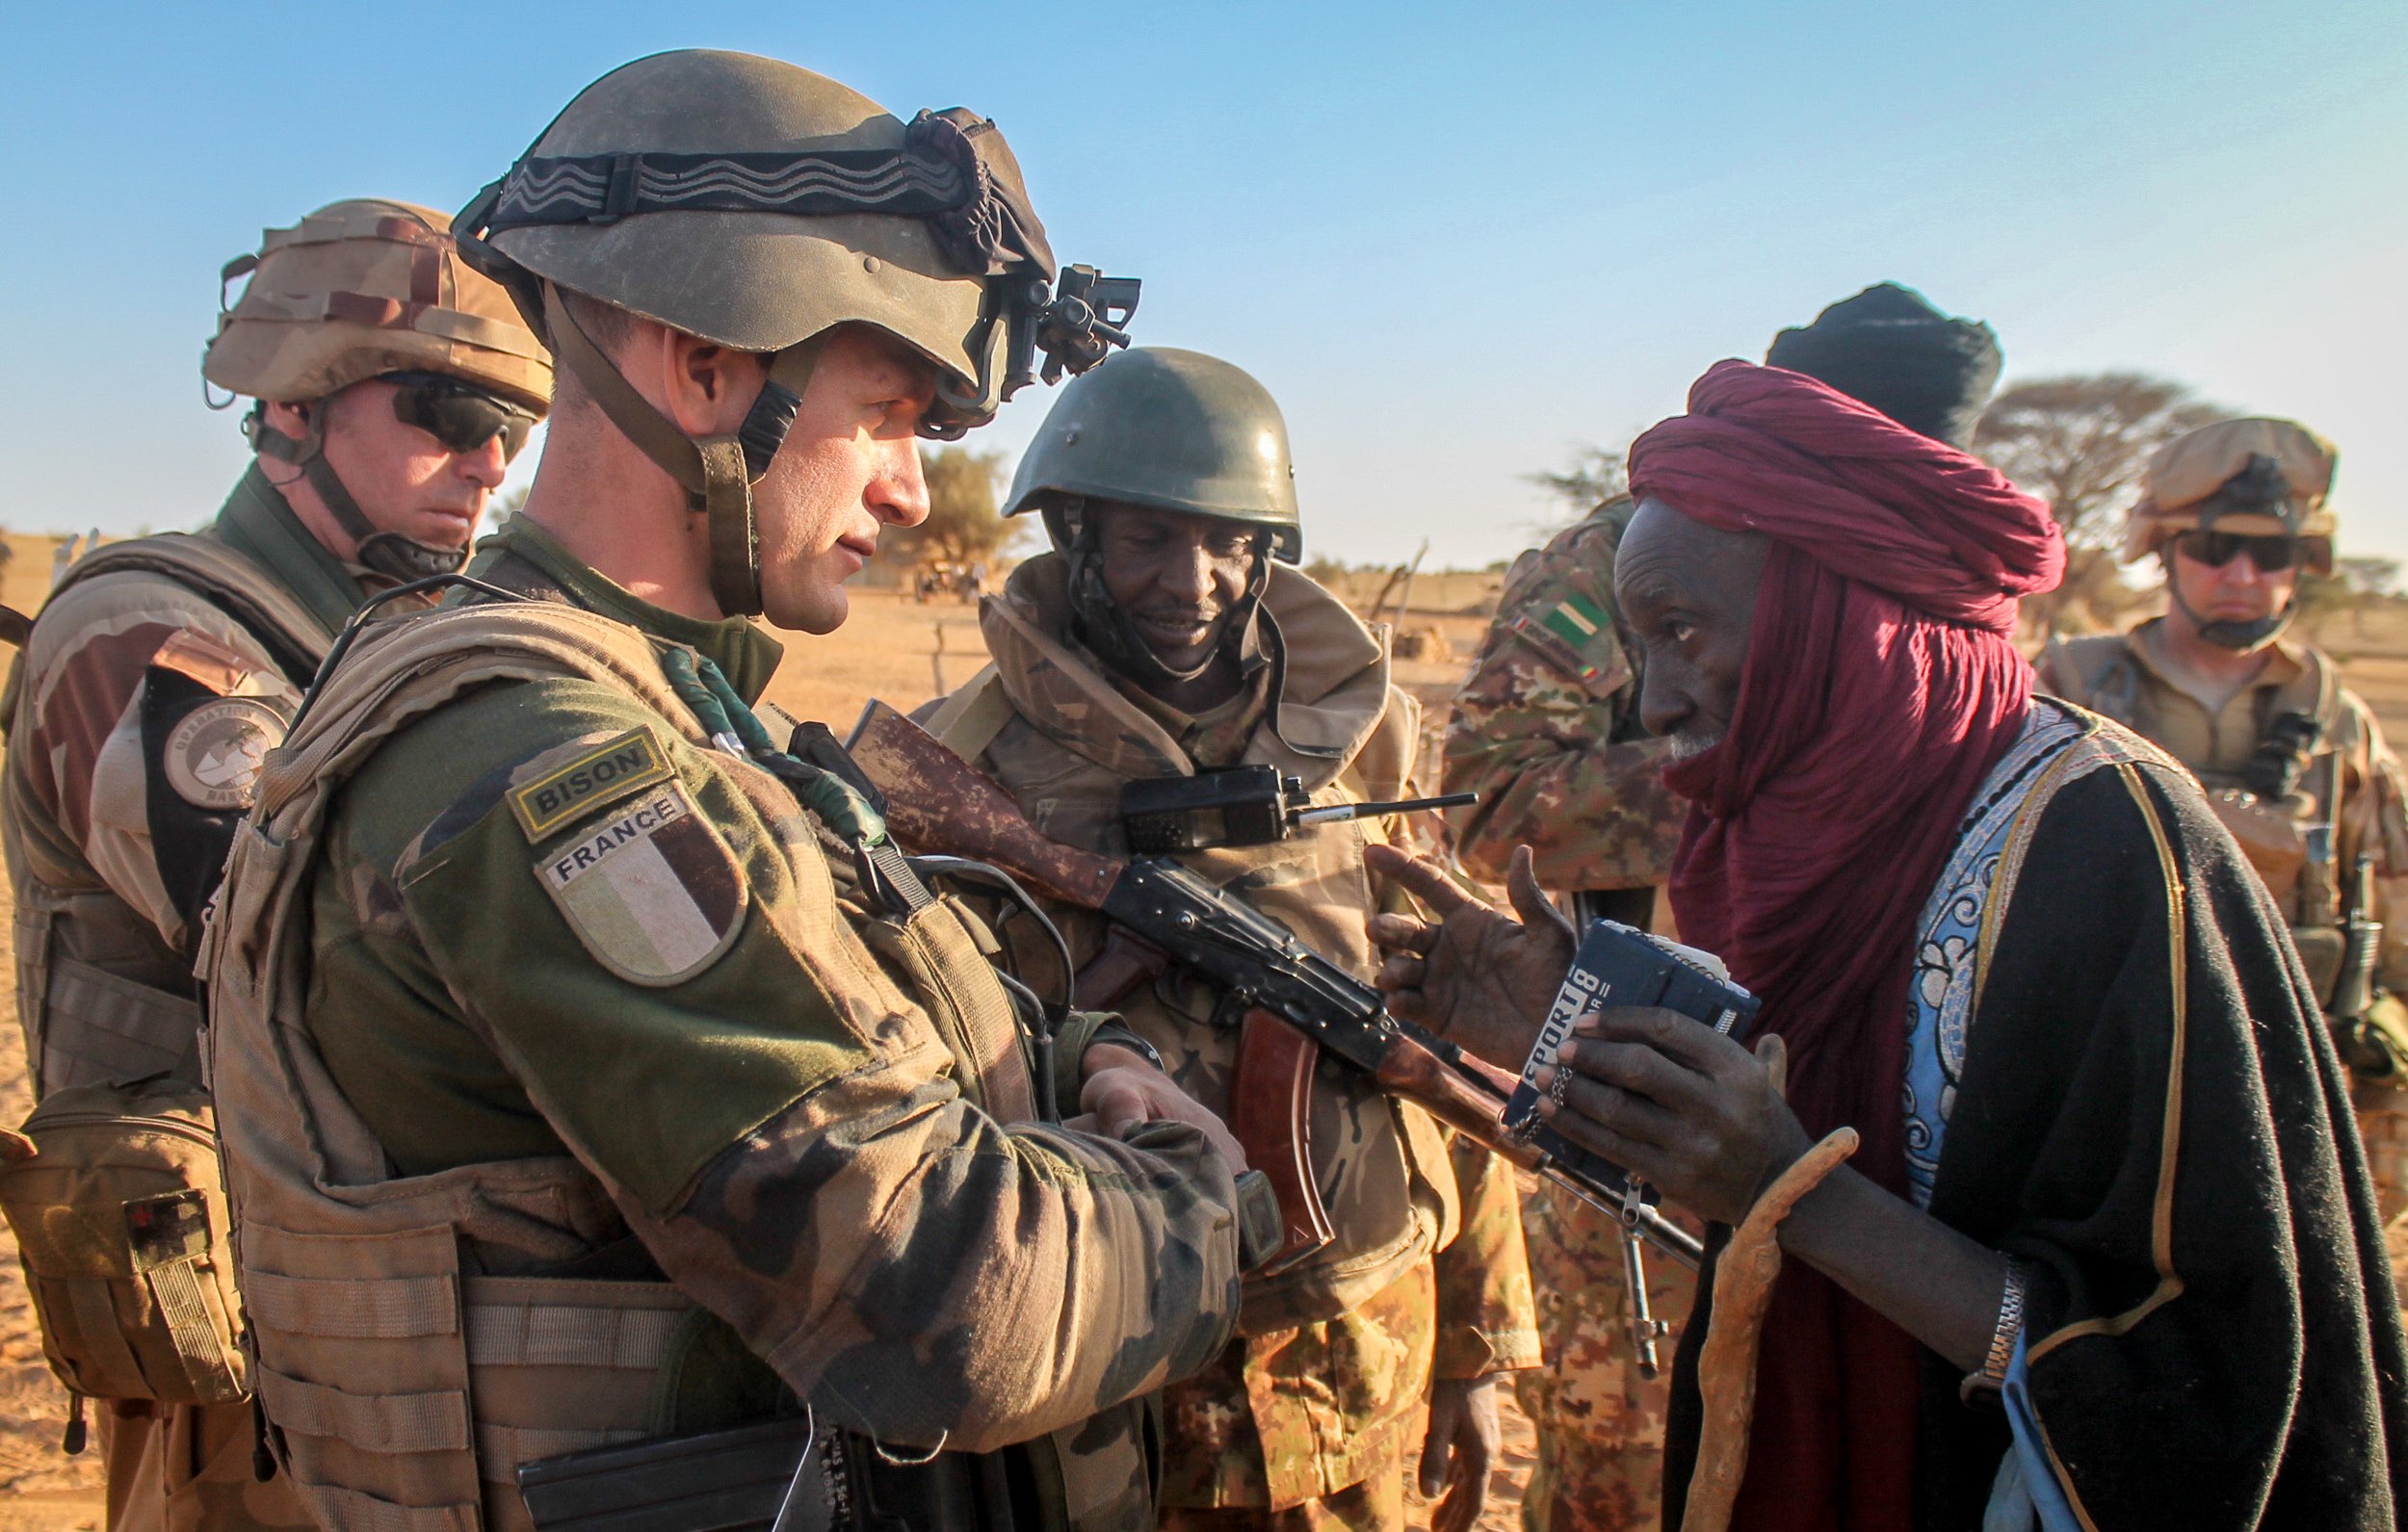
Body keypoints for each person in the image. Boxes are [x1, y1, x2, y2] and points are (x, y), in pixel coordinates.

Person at [198, 51, 1256, 1532]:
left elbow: (890, 1015)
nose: (906, 487)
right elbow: (950, 1292)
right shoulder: (539, 762)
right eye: (887, 413)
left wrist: (1079, 1059)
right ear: (705, 364)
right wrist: (1206, 1186)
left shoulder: (670, 704)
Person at [1369, 360, 2408, 1530]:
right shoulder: (1789, 838)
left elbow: (2206, 1385)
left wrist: (1787, 1193)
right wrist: (1579, 1029)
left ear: (1835, 613)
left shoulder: (2109, 851)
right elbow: (1781, 1147)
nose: (1653, 702)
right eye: (1636, 642)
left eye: (1679, 630)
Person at [913, 348, 1539, 1532]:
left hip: (1356, 1350)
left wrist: (1477, 1345)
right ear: (1076, 536)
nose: (1190, 582)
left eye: (1226, 541)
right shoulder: (960, 759)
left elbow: (1435, 1050)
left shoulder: (1368, 742)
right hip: (1102, 1362)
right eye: (1148, 539)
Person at [0, 198, 549, 1532]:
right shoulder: (144, 635)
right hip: (249, 1370)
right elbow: (309, 940)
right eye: (445, 409)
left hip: (431, 1333)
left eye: (513, 431)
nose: (487, 463)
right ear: (294, 404)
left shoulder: (429, 640)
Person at [1439, 282, 2002, 1532]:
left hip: (1885, 1129)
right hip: (1646, 1090)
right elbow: (1487, 801)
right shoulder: (1632, 555)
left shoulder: (1949, 576)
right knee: (1641, 1468)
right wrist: (1768, 766)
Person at [2037, 418, 2408, 1285]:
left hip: (2294, 1078)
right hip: (2107, 1079)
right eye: (2214, 546)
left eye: (2272, 553)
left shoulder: (2338, 717)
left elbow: (2388, 912)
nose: (2244, 575)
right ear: (2165, 554)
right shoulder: (2072, 686)